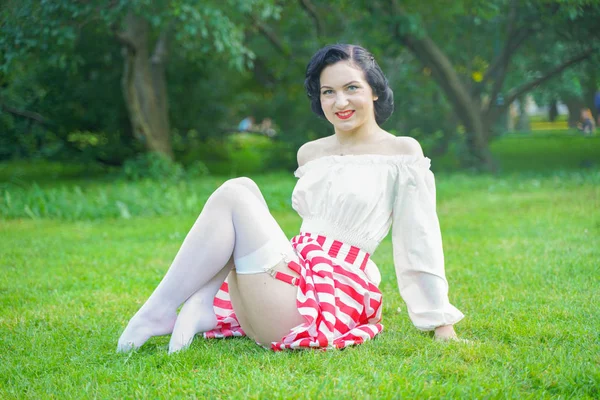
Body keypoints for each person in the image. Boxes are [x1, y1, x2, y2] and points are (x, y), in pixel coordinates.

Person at [117, 44, 464, 353]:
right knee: (244, 190)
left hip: (325, 299)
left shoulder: (401, 152)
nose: (340, 102)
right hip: (292, 277)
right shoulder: (310, 153)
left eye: (351, 88)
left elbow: (418, 241)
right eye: (328, 92)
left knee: (237, 193)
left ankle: (163, 309)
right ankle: (201, 303)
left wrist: (440, 321)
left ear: (374, 90)